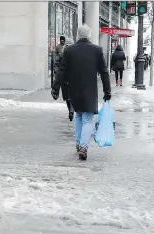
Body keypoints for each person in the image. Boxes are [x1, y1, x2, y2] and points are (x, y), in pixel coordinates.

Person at [51, 24, 111, 161]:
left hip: (75, 89)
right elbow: (104, 72)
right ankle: (83, 146)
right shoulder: (97, 50)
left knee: (78, 115)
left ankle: (79, 143)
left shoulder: (69, 50)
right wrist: (107, 91)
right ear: (89, 35)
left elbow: (62, 70)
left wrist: (56, 87)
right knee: (88, 118)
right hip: (89, 89)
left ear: (78, 35)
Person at [58, 37, 75, 121]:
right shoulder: (76, 55)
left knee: (67, 96)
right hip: (73, 78)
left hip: (65, 78)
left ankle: (70, 110)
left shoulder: (63, 53)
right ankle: (72, 109)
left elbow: (59, 65)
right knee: (72, 95)